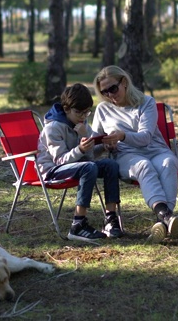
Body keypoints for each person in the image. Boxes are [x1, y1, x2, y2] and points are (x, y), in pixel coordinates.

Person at [91, 65, 178, 244]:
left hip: (155, 150)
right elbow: (94, 149)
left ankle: (162, 223)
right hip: (126, 156)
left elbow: (145, 137)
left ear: (124, 82)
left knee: (169, 163)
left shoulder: (146, 102)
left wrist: (123, 135)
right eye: (105, 92)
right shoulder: (102, 109)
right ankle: (167, 217)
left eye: (113, 89)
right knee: (143, 166)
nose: (110, 95)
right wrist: (104, 145)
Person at [37, 83, 123, 242]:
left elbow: (89, 156)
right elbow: (60, 160)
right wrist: (81, 149)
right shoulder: (53, 128)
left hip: (79, 166)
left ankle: (111, 219)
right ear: (66, 109)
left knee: (110, 165)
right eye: (79, 112)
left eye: (87, 112)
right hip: (52, 170)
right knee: (88, 168)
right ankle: (78, 224)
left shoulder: (82, 125)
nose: (83, 117)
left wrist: (103, 147)